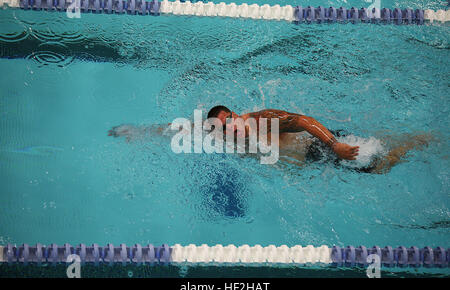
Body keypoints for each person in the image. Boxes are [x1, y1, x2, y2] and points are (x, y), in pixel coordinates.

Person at [108, 105, 432, 174]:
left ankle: (423, 142)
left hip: (321, 148)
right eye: (222, 128)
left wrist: (334, 145)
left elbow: (303, 121)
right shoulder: (217, 132)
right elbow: (179, 128)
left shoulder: (261, 120)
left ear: (236, 114)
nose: (230, 129)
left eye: (230, 121)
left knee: (382, 163)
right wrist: (136, 132)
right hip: (308, 165)